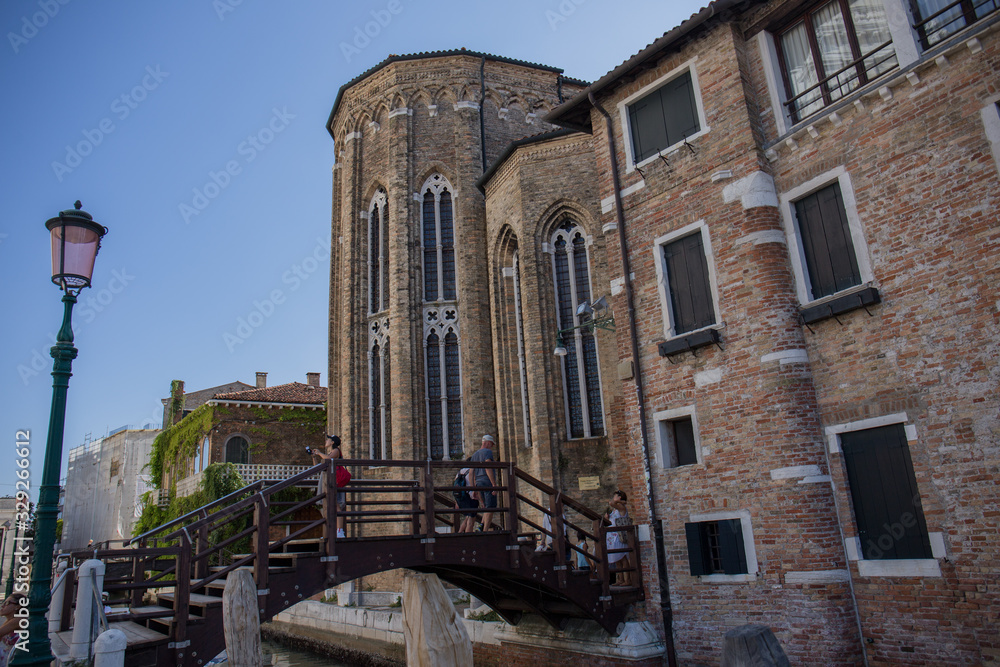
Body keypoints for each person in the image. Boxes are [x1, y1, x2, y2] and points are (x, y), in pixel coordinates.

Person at [312, 434, 348, 538]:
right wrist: (314, 456)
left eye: (328, 439)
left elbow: (328, 460)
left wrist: (319, 453)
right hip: (326, 481)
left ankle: (340, 531)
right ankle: (329, 532)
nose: (326, 441)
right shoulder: (329, 453)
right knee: (327, 506)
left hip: (334, 482)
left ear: (332, 442)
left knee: (336, 506)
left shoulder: (336, 451)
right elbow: (318, 467)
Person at [470, 434, 498, 530]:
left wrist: (474, 488)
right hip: (487, 481)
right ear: (488, 443)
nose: (492, 447)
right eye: (492, 444)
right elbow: (487, 467)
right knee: (491, 507)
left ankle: (481, 526)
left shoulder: (474, 455)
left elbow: (472, 473)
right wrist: (494, 484)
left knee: (486, 505)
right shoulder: (487, 452)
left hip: (478, 482)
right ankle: (485, 530)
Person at [605, 490, 631, 586]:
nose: (613, 497)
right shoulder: (615, 509)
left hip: (619, 536)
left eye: (615, 496)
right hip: (612, 536)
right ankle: (620, 579)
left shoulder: (621, 507)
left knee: (623, 558)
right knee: (617, 560)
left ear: (619, 497)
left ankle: (627, 580)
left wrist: (620, 502)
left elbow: (611, 503)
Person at [0, 593, 27, 667]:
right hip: (9, 657)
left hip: (16, 660)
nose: (2, 606)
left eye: (7, 603)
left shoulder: (19, 619)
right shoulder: (10, 620)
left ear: (17, 606)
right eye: (3, 603)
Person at [454, 460, 477, 533]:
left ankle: (459, 533)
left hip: (460, 498)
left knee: (467, 517)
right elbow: (475, 484)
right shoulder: (472, 471)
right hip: (470, 497)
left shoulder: (459, 472)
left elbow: (455, 486)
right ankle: (468, 537)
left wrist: (456, 502)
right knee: (471, 520)